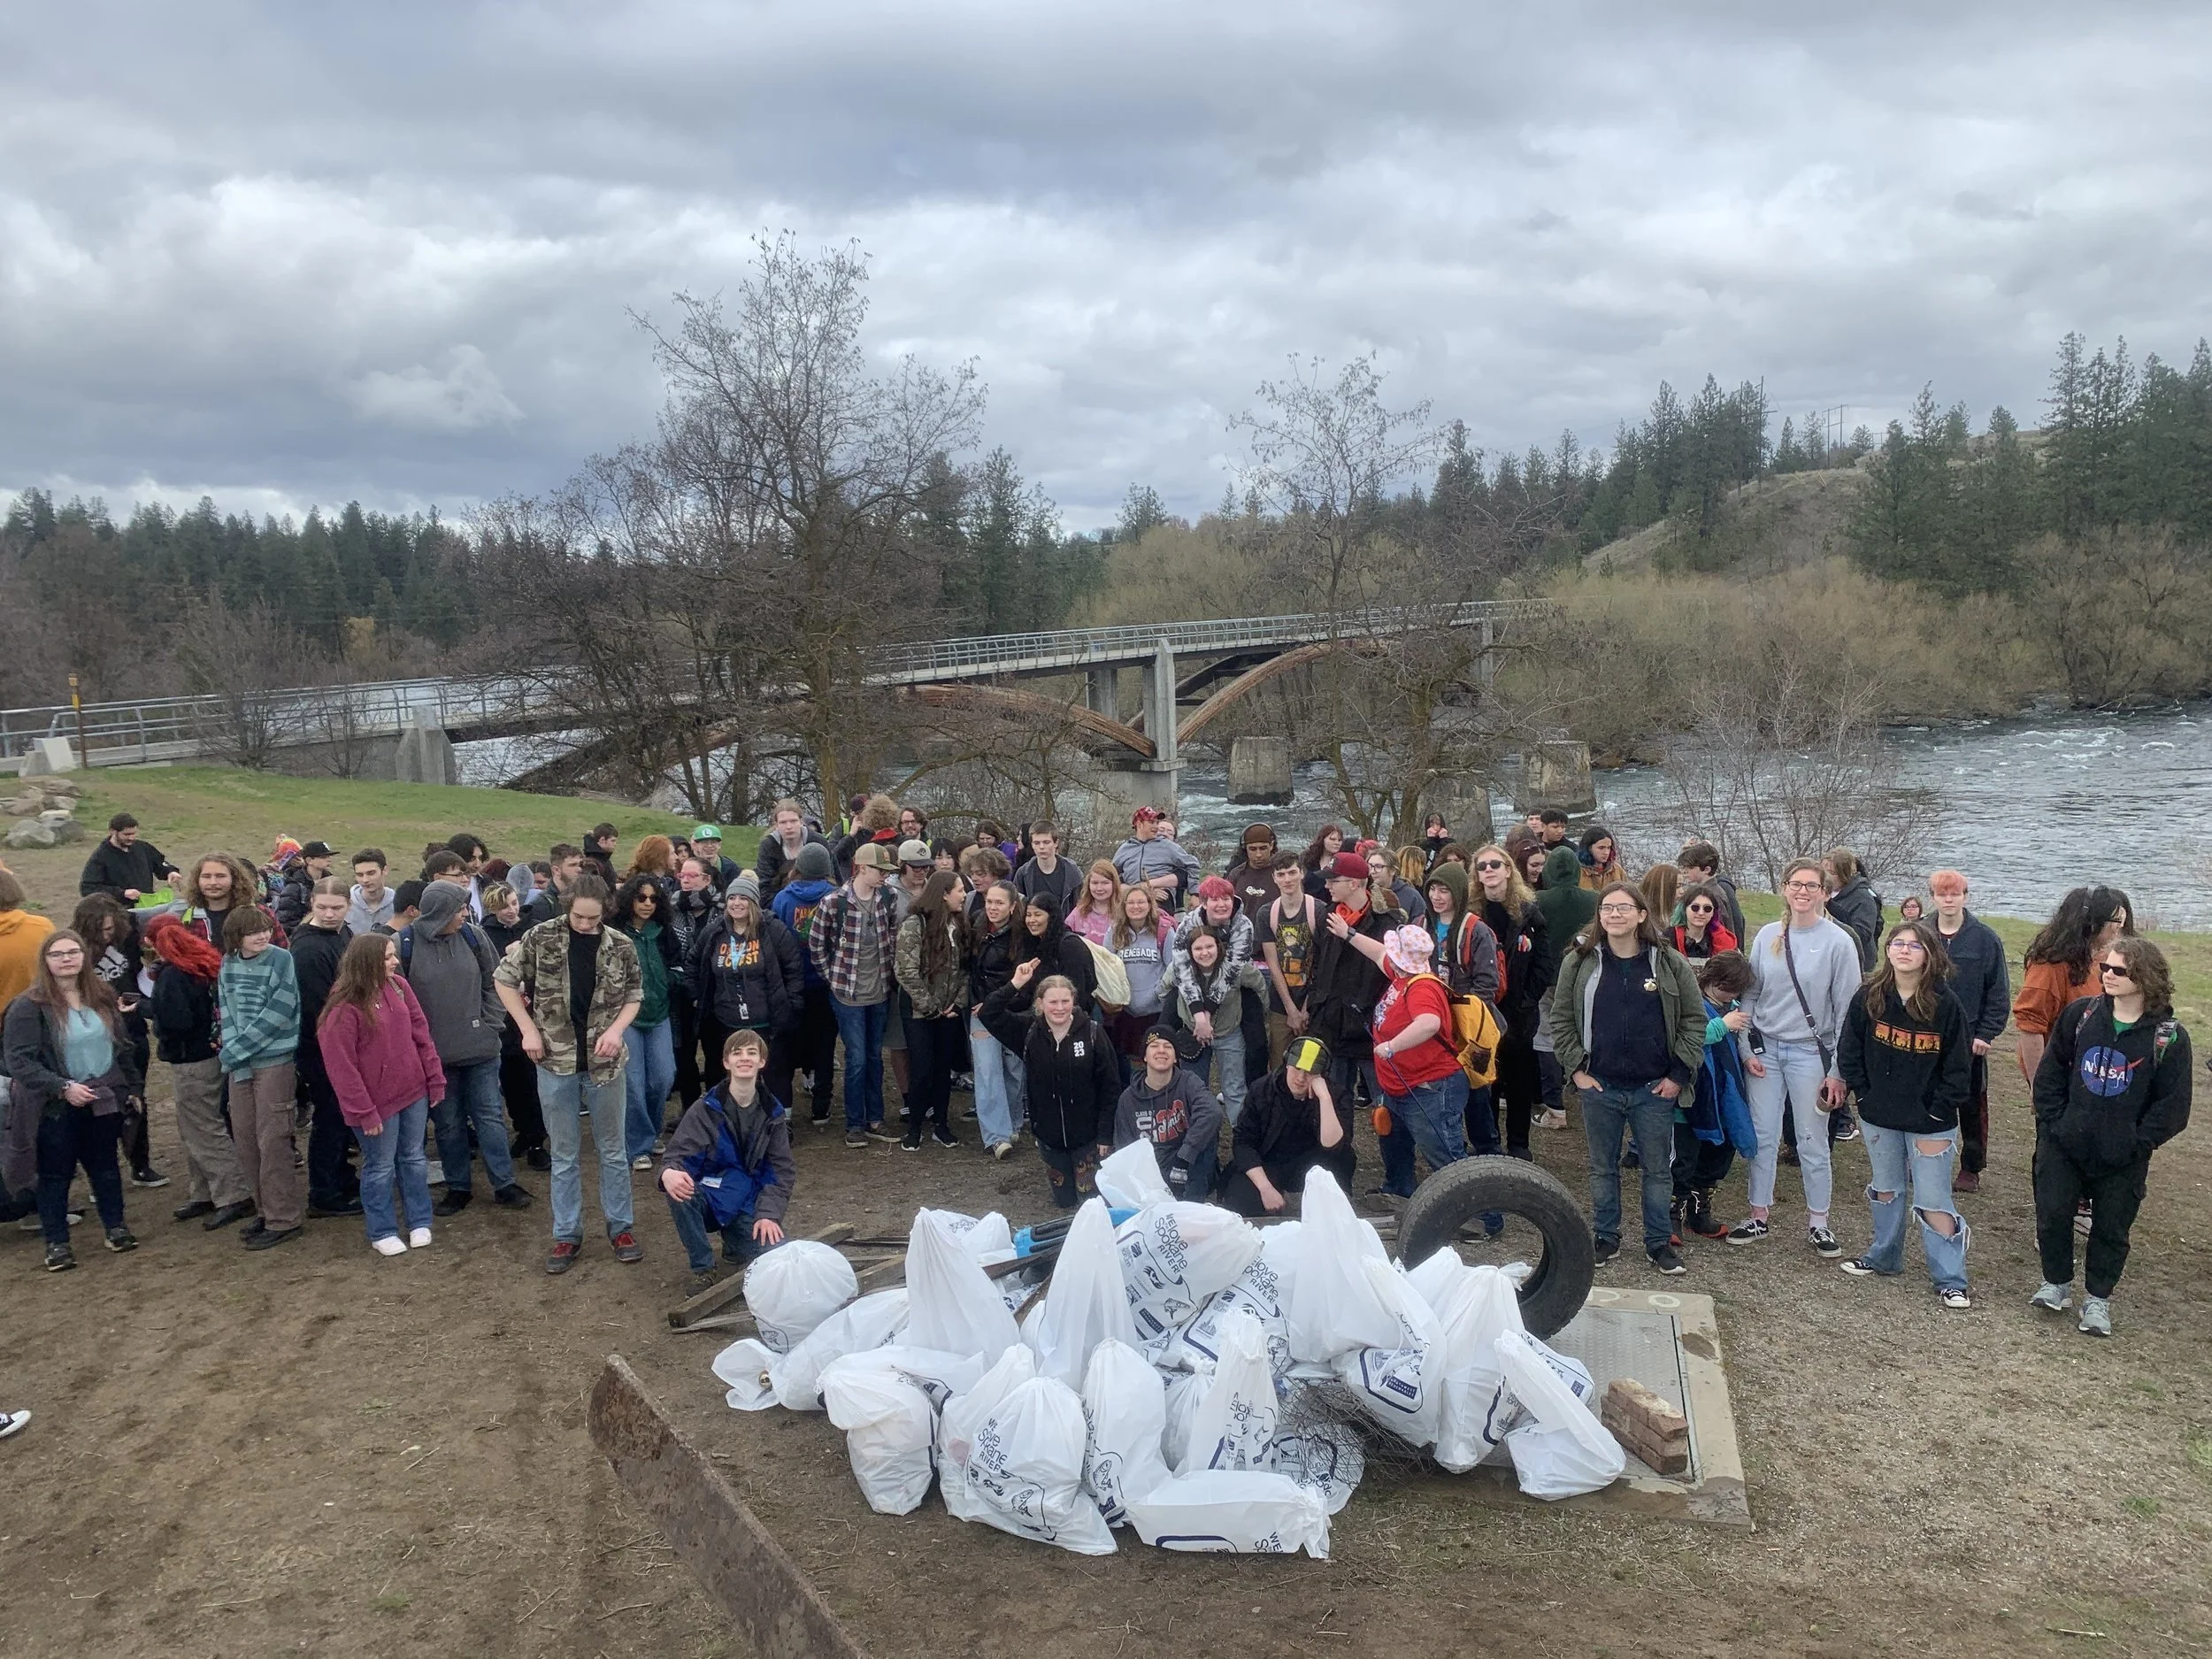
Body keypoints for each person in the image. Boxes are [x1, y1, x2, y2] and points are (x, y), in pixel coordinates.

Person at [2028, 934, 2192, 1338]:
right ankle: (2055, 1283)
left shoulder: (2169, 1037)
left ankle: (2097, 1299)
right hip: (2064, 1143)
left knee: (2111, 1229)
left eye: (2120, 970)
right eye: (2105, 967)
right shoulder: (2081, 1015)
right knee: (2053, 1212)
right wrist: (2055, 1125)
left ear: (2145, 977)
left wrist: (2136, 1142)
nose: (2108, 975)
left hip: (2123, 1156)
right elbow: (2050, 1074)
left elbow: (2173, 1107)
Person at [492, 876, 646, 1275]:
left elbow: (634, 995)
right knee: (563, 1153)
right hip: (555, 1060)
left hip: (605, 1063)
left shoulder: (621, 945)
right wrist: (527, 1029)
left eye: (593, 918)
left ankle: (621, 1228)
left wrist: (617, 1031)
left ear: (605, 912)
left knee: (613, 1149)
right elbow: (503, 980)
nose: (585, 924)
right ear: (568, 906)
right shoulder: (540, 936)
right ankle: (567, 1233)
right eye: (579, 916)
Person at [1549, 883, 1705, 1274]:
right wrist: (1577, 1070)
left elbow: (1694, 1020)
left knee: (1657, 1170)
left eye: (1623, 907)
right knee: (1602, 1167)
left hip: (1654, 1089)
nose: (1614, 914)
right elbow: (1561, 1019)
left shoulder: (1668, 962)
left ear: (1641, 915)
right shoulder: (1578, 962)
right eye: (1607, 908)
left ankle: (1658, 1243)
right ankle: (1605, 1237)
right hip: (1599, 1086)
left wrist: (1678, 1075)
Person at [1726, 857, 1863, 1256]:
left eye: (1811, 886)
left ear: (1825, 893)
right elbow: (1751, 994)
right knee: (1762, 1135)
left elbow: (1847, 1011)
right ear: (1784, 888)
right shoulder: (1768, 935)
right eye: (1796, 884)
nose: (1803, 892)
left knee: (1811, 1140)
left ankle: (1819, 1222)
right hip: (1766, 1050)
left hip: (1810, 1053)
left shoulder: (1839, 942)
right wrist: (1746, 1047)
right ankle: (1758, 1213)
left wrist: (1837, 1070)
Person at [1835, 920, 1975, 1307]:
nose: (1904, 951)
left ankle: (1950, 1279)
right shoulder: (1869, 997)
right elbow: (1850, 1049)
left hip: (1931, 1123)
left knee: (1932, 1198)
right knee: (1886, 1188)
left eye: (1914, 946)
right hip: (1879, 1115)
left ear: (1929, 955)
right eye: (1898, 943)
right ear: (1887, 950)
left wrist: (1939, 1109)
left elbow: (1959, 1067)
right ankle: (1884, 1256)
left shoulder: (1946, 1004)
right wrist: (1865, 1095)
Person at [4, 929, 135, 1270]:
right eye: (57, 954)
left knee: (105, 1167)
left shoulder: (102, 995)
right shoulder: (28, 1006)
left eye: (73, 952)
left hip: (102, 1097)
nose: (66, 959)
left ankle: (116, 1228)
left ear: (84, 957)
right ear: (45, 961)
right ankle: (57, 1244)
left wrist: (131, 1088)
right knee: (55, 1175)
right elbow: (19, 1061)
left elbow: (121, 1046)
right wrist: (62, 1087)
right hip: (55, 1106)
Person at [400, 879, 529, 1214]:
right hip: (436, 1057)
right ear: (439, 911)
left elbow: (496, 981)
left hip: (481, 1050)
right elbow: (399, 1000)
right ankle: (458, 1187)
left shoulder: (474, 936)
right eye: (458, 909)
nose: (464, 914)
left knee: (490, 1117)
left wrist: (490, 1023)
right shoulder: (404, 944)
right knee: (447, 1123)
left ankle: (504, 1183)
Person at [317, 933, 445, 1256]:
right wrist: (364, 1112)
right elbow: (341, 1068)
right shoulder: (343, 1008)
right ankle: (382, 1229)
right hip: (376, 1104)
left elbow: (421, 1034)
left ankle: (419, 1220)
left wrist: (434, 1078)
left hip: (413, 1092)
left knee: (414, 1158)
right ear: (367, 962)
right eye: (388, 957)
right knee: (380, 1166)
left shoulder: (399, 987)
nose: (395, 962)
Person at [976, 960, 1122, 1210]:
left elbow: (1111, 1087)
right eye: (1053, 1002)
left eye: (1065, 1001)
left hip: (1087, 1138)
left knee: (1091, 1204)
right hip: (1049, 1139)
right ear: (1040, 1003)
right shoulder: (1028, 1032)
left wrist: (1105, 1135)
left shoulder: (1093, 1033)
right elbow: (988, 1013)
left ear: (1074, 1002)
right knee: (1064, 1203)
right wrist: (1015, 984)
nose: (1059, 1008)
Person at [142, 913, 254, 1231]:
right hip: (213, 1054)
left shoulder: (171, 975)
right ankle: (204, 1191)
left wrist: (146, 1012)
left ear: (151, 942)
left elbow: (177, 1022)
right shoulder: (202, 964)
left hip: (190, 1062)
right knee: (196, 1127)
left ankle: (233, 1194)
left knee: (203, 1129)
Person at [659, 1029, 795, 1286]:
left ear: (762, 1062)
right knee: (678, 1191)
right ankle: (703, 1269)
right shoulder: (706, 1108)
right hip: (710, 1195)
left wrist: (768, 1214)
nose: (744, 1058)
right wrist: (668, 1172)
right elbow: (678, 1154)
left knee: (777, 1256)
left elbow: (781, 1171)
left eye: (751, 1053)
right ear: (726, 1062)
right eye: (737, 1053)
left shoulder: (773, 1113)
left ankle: (735, 1242)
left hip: (747, 1200)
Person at [215, 908, 304, 1250]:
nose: (262, 936)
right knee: (246, 1140)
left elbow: (280, 1011)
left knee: (273, 1141)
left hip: (274, 1062)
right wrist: (236, 1055)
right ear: (236, 937)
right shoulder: (228, 963)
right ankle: (264, 1211)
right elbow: (227, 1011)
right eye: (253, 932)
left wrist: (236, 1051)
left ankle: (284, 1218)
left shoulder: (281, 959)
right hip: (240, 1065)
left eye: (265, 929)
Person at [1305, 850, 1394, 1186]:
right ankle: (1338, 1178)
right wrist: (1316, 1007)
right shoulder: (1328, 916)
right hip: (1331, 1027)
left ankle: (1397, 1180)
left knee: (1387, 1108)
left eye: (1334, 880)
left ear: (1355, 883)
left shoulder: (1386, 922)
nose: (1327, 886)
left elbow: (1391, 971)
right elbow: (1318, 967)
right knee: (1335, 1105)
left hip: (1370, 1031)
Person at [1362, 926, 1472, 1189]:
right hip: (1401, 1085)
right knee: (1395, 1143)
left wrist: (1391, 1046)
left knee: (1443, 1154)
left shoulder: (1422, 987)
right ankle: (1399, 1191)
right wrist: (1348, 934)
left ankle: (1476, 1205)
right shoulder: (1403, 975)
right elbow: (1378, 954)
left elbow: (1429, 1023)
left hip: (1428, 1087)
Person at [1922, 871, 2010, 1194]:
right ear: (1933, 897)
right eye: (1942, 894)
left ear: (1965, 897)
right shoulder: (1919, 934)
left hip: (1969, 1039)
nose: (1948, 900)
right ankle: (1921, 1156)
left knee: (1972, 1105)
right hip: (1926, 1035)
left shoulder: (1985, 939)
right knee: (1923, 1096)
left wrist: (1985, 1034)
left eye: (1954, 894)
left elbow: (1998, 993)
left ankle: (1971, 1166)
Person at [810, 841, 901, 1148]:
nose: (884, 876)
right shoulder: (833, 902)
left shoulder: (888, 897)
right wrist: (833, 979)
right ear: (861, 868)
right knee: (857, 1059)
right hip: (847, 995)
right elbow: (816, 945)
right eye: (879, 870)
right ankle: (854, 1123)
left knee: (875, 1057)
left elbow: (893, 934)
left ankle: (875, 1118)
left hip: (879, 991)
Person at [688, 873, 806, 1110]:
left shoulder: (773, 930)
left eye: (743, 898)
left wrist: (792, 1004)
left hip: (767, 1020)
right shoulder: (714, 932)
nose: (737, 903)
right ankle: (730, 1118)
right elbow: (693, 962)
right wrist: (696, 996)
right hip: (726, 1021)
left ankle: (779, 1120)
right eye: (732, 898)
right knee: (730, 1072)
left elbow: (793, 968)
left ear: (753, 902)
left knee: (774, 1072)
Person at [70, 893, 159, 1189]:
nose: (106, 935)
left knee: (135, 1097)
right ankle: (100, 1176)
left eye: (110, 929)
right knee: (97, 1105)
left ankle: (140, 1164)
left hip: (131, 1030)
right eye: (100, 931)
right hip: (94, 1036)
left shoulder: (127, 939)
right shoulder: (74, 951)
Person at [1473, 843, 1555, 1156]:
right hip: (1483, 1011)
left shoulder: (1529, 912)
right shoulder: (1472, 914)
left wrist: (1526, 1000)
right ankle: (1488, 1145)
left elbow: (1543, 963)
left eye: (1495, 864)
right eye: (1482, 866)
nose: (1489, 870)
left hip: (1519, 1011)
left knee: (1520, 1082)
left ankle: (1519, 1145)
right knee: (1486, 1082)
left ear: (1508, 869)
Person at [288, 878, 361, 1218]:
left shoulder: (343, 934)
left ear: (348, 906)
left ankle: (341, 1176)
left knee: (342, 1115)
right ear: (312, 905)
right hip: (320, 1044)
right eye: (322, 908)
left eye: (336, 908)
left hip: (342, 1038)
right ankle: (324, 1191)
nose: (330, 914)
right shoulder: (308, 949)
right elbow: (317, 1007)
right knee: (330, 1116)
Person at [1218, 1035, 1356, 1217]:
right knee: (1240, 1205)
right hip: (1269, 1162)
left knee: (1343, 1163)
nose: (1301, 1078)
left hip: (1316, 1165)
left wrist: (1324, 1098)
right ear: (1287, 1064)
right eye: (1297, 1068)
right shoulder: (1262, 1090)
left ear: (1322, 1075)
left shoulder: (1337, 1096)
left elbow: (1335, 1146)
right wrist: (1265, 1188)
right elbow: (1243, 1142)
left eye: (1310, 1072)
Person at [2015, 886, 2134, 1086]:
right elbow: (2031, 1027)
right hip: (2062, 1073)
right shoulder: (2048, 967)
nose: (2119, 928)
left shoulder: (2103, 960)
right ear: (2092, 924)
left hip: (2096, 1069)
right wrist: (2040, 1087)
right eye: (2115, 921)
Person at [1677, 951, 1756, 1242]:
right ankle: (1672, 1215)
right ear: (1711, 978)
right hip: (1691, 1098)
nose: (1731, 994)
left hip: (1723, 1097)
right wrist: (1723, 1025)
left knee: (1717, 1156)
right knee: (1682, 1160)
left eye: (1736, 990)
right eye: (1726, 987)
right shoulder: (1691, 1002)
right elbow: (1689, 1037)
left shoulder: (1733, 1008)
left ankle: (1699, 1212)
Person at [606, 875, 681, 1167]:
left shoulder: (664, 932)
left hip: (659, 1013)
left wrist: (668, 982)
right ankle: (639, 1145)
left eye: (653, 899)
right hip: (626, 1018)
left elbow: (678, 965)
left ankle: (651, 1131)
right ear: (629, 899)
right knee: (633, 1082)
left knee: (663, 1077)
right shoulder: (613, 932)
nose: (648, 904)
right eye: (641, 898)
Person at [893, 870, 968, 1150]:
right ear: (944, 894)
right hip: (919, 1012)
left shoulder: (959, 924)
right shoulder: (915, 924)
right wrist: (931, 1007)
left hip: (949, 1011)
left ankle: (941, 1125)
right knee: (922, 1068)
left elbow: (966, 969)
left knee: (942, 1068)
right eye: (960, 890)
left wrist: (957, 1003)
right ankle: (914, 1128)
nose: (964, 895)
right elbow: (905, 971)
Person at [767, 845, 840, 1125]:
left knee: (788, 1043)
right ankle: (821, 1106)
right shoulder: (835, 896)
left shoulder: (783, 898)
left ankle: (785, 1105)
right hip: (825, 981)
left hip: (792, 981)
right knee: (825, 1044)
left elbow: (776, 936)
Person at [480, 881, 548, 1171]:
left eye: (513, 903)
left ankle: (537, 1140)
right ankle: (522, 1131)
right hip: (503, 1019)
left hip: (534, 1014)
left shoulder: (534, 928)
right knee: (510, 1080)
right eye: (502, 906)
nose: (510, 911)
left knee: (533, 1081)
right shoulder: (485, 935)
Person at [1114, 1025, 1223, 1198]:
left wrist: (1184, 1156)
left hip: (1187, 1163)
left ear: (1175, 1057)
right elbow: (1124, 1148)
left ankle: (1191, 1203)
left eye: (1168, 1046)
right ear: (1144, 1056)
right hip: (1151, 1169)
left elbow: (1212, 1112)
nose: (1161, 1051)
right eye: (1154, 1046)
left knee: (1208, 1135)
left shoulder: (1188, 1082)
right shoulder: (1128, 1099)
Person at [967, 878, 1025, 1157]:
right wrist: (976, 1001)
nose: (992, 907)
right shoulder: (976, 925)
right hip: (981, 1011)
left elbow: (1023, 978)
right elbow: (969, 969)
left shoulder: (1023, 935)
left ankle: (1012, 1122)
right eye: (989, 901)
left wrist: (998, 1002)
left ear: (1013, 906)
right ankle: (996, 1136)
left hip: (1012, 1009)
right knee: (987, 1070)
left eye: (999, 903)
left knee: (1014, 1069)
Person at [1167, 925, 1248, 1128]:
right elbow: (1163, 989)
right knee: (1194, 1089)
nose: (1204, 953)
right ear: (1189, 951)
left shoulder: (1237, 967)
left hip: (1228, 1034)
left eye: (1209, 947)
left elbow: (1260, 987)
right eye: (1198, 948)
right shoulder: (1178, 969)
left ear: (1218, 946)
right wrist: (1185, 1016)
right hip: (1192, 1034)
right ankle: (1201, 1137)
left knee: (1234, 1089)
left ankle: (1241, 1136)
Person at [664, 856, 718, 1105]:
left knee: (715, 1054)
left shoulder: (722, 908)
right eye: (682, 875)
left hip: (714, 992)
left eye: (691, 876)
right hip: (681, 993)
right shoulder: (670, 909)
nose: (684, 880)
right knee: (683, 1054)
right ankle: (690, 1109)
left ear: (707, 879)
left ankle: (716, 1108)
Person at [1257, 852, 1318, 1070]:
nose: (1287, 879)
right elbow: (1273, 964)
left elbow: (1322, 965)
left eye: (1292, 873)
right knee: (1279, 1064)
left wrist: (1306, 1007)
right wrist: (1291, 1010)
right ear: (1274, 878)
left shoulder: (1318, 910)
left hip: (1314, 1001)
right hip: (1281, 1002)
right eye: (1281, 874)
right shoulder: (1266, 913)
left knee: (1311, 1065)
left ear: (1302, 873)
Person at [1104, 883, 1176, 1062]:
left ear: (1150, 904)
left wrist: (1158, 992)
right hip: (1124, 1011)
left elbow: (1174, 968)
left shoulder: (1164, 931)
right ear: (1123, 906)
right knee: (1126, 1061)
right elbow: (1106, 967)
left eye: (1141, 902)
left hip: (1156, 1011)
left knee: (1155, 1059)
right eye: (1131, 902)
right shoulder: (1114, 931)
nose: (1136, 907)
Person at [180, 852, 283, 949]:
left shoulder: (261, 914)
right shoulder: (186, 918)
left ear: (234, 879)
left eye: (220, 876)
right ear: (197, 880)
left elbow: (282, 954)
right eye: (206, 877)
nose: (213, 882)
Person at [1112, 807, 1200, 913]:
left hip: (1161, 899)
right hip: (1131, 897)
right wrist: (1144, 891)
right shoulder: (1125, 848)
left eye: (1157, 822)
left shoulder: (1167, 846)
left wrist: (1195, 893)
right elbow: (1110, 875)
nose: (1156, 826)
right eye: (1151, 822)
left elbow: (1192, 864)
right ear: (1139, 825)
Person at [79, 812, 178, 902]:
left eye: (133, 834)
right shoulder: (101, 856)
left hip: (146, 905)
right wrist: (122, 893)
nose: (131, 838)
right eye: (126, 834)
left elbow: (160, 864)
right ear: (113, 831)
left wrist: (170, 871)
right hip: (119, 910)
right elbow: (88, 888)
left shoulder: (143, 847)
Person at [1824, 848, 1884, 971]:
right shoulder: (1818, 892)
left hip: (1856, 963)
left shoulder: (1864, 898)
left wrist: (1831, 907)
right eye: (1823, 872)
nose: (1826, 877)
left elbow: (1862, 935)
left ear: (1845, 875)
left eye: (1832, 873)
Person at [1676, 841, 1746, 945]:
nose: (1685, 871)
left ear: (1707, 869)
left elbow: (1720, 929)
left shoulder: (1713, 895)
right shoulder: (1706, 891)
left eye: (1690, 868)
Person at [1012, 820, 1083, 917]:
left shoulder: (1072, 872)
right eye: (1037, 843)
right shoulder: (1023, 874)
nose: (1042, 847)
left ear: (1056, 843)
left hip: (1065, 924)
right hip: (1033, 924)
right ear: (1032, 844)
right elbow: (1018, 907)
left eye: (1046, 842)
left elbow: (1080, 906)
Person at [831, 794, 902, 882]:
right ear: (853, 814)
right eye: (859, 813)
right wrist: (850, 836)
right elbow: (833, 857)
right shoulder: (842, 827)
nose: (864, 816)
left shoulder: (876, 831)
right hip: (847, 880)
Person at [273, 841, 336, 932]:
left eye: (329, 856)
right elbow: (286, 922)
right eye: (323, 857)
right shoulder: (295, 887)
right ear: (309, 860)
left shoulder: (332, 882)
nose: (329, 859)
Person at [1224, 825, 1280, 918]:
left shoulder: (1282, 874)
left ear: (1271, 846)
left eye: (1263, 848)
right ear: (1245, 848)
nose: (1258, 854)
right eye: (1253, 849)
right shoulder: (1236, 875)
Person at [1671, 883, 1740, 960]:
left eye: (1707, 909)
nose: (1701, 913)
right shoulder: (1669, 938)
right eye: (1695, 907)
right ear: (1684, 909)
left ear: (1713, 913)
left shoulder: (1724, 942)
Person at [1065, 860, 1123, 947]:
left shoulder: (1123, 912)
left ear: (1114, 884)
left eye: (1105, 883)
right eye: (1095, 883)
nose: (1099, 888)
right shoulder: (1079, 912)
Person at [346, 849, 396, 934]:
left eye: (371, 873)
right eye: (360, 875)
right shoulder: (345, 904)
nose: (365, 880)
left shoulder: (398, 904)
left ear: (384, 870)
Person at [1298, 824, 1347, 901]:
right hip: (1309, 902)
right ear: (1322, 839)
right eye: (1332, 839)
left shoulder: (1343, 861)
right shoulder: (1307, 858)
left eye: (1339, 840)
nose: (1337, 843)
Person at [689, 824, 743, 892]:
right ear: (695, 846)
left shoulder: (731, 869)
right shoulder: (688, 868)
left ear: (719, 845)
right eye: (705, 842)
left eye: (713, 842)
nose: (709, 846)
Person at [1577, 826, 1627, 891]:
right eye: (1601, 848)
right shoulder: (1577, 871)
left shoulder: (1617, 870)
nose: (1606, 852)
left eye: (1608, 848)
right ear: (1589, 848)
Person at [581, 823, 621, 889]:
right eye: (613, 841)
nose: (615, 844)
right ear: (602, 840)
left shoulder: (603, 858)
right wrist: (615, 887)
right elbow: (592, 888)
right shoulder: (591, 863)